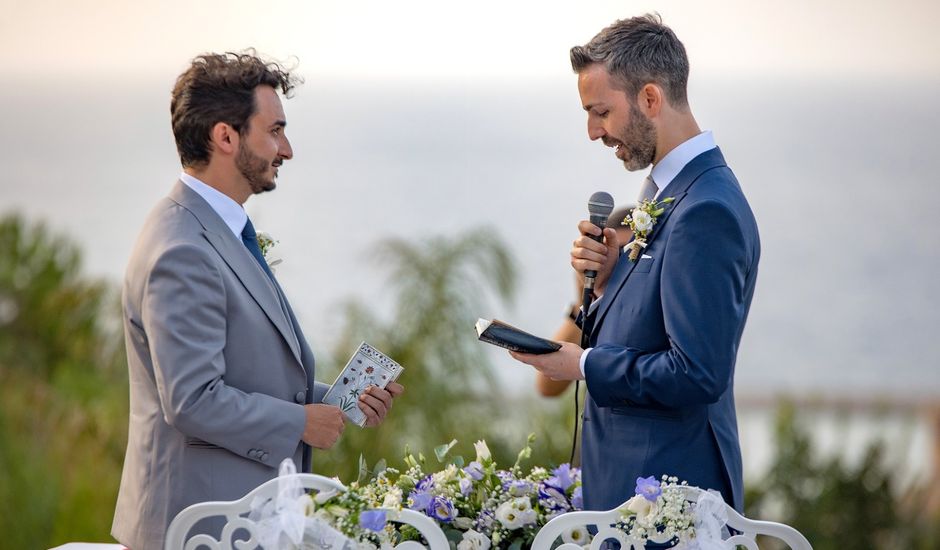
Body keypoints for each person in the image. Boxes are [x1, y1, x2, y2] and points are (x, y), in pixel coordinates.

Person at [111, 52, 404, 550]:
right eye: (275, 130)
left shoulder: (218, 228)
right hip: (198, 528)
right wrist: (300, 423)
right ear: (226, 137)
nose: (286, 149)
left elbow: (241, 372)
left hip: (238, 522)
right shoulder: (182, 249)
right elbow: (192, 400)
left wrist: (330, 401)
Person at [512, 14, 759, 514]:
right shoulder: (663, 192)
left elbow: (696, 374)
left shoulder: (706, 209)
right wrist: (604, 286)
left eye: (600, 111)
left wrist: (580, 363)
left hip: (672, 500)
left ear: (650, 99)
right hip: (626, 495)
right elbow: (643, 329)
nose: (591, 131)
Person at [535, 205, 633, 397]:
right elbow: (547, 387)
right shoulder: (601, 311)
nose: (624, 264)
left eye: (632, 251)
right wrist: (586, 300)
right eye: (617, 252)